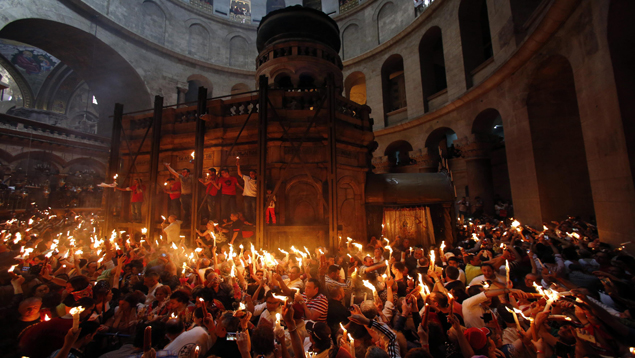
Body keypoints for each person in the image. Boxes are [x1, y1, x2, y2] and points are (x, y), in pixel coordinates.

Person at [236, 158, 257, 223]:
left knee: (254, 210)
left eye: (253, 174)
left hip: (254, 196)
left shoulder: (257, 180)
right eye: (250, 174)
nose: (251, 175)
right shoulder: (247, 178)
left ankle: (255, 221)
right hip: (247, 196)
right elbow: (240, 174)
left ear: (255, 174)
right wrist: (238, 167)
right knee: (246, 210)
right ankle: (248, 221)